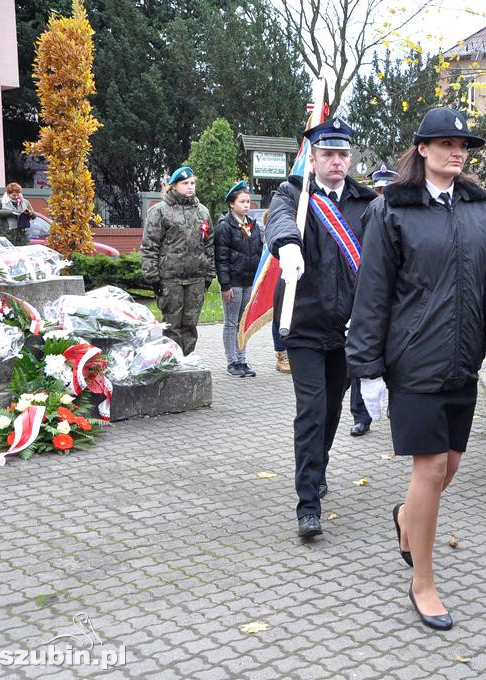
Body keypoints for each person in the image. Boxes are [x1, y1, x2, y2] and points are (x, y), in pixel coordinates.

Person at [347, 107, 486, 632]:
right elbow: (373, 293)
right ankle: (422, 583)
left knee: (448, 466)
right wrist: (368, 369)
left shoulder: (477, 210)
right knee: (428, 470)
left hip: (462, 363)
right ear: (422, 149)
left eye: (463, 143)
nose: (457, 150)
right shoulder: (392, 211)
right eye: (445, 142)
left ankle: (407, 520)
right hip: (413, 364)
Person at [264, 117, 374, 539]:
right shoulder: (293, 194)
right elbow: (279, 220)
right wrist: (287, 244)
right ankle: (307, 503)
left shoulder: (366, 204)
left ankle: (319, 464)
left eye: (343, 154)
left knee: (330, 409)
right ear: (312, 158)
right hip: (305, 326)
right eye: (327, 154)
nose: (336, 161)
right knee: (311, 410)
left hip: (347, 329)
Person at [348, 162, 399, 438]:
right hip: (367, 292)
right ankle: (360, 415)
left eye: (387, 190)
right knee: (364, 354)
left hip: (397, 298)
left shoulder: (404, 214)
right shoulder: (366, 212)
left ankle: (395, 409)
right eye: (379, 190)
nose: (382, 195)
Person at [141, 166, 215, 355]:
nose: (190, 187)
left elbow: (209, 245)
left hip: (196, 279)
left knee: (190, 325)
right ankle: (172, 364)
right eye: (185, 183)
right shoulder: (160, 211)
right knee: (172, 326)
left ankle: (187, 362)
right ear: (174, 186)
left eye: (192, 183)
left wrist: (209, 274)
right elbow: (150, 246)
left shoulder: (202, 212)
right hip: (170, 278)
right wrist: (153, 278)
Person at [215, 180, 262, 377]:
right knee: (232, 323)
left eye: (248, 201)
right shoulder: (225, 226)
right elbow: (221, 258)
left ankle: (242, 360)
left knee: (244, 323)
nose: (246, 205)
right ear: (232, 204)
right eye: (242, 201)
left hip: (249, 281)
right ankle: (232, 361)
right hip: (233, 283)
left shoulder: (253, 225)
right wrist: (225, 285)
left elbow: (259, 251)